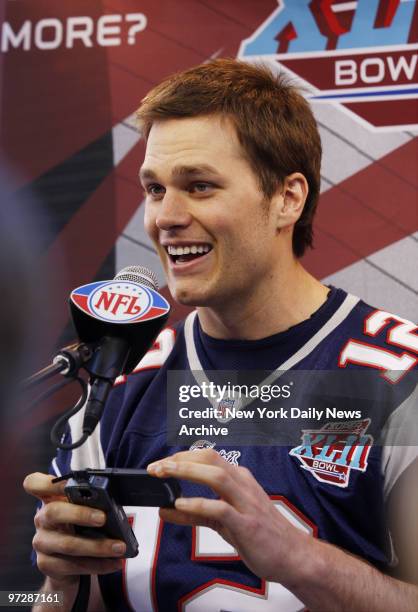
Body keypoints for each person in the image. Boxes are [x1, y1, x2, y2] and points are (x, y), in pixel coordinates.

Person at [24, 59, 418, 611]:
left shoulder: (400, 379)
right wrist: (59, 585)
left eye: (200, 186)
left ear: (288, 198)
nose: (167, 216)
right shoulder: (116, 385)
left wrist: (299, 559)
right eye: (155, 189)